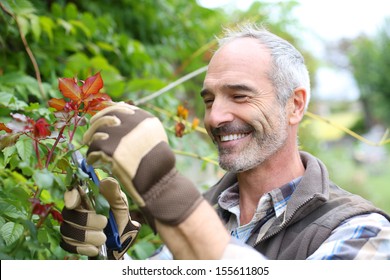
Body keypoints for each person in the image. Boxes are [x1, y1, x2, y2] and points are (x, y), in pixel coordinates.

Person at [60, 23, 390, 260]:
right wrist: (108, 255)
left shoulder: (361, 231)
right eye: (208, 100)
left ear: (295, 105)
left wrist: (163, 186)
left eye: (239, 95)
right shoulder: (210, 213)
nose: (215, 117)